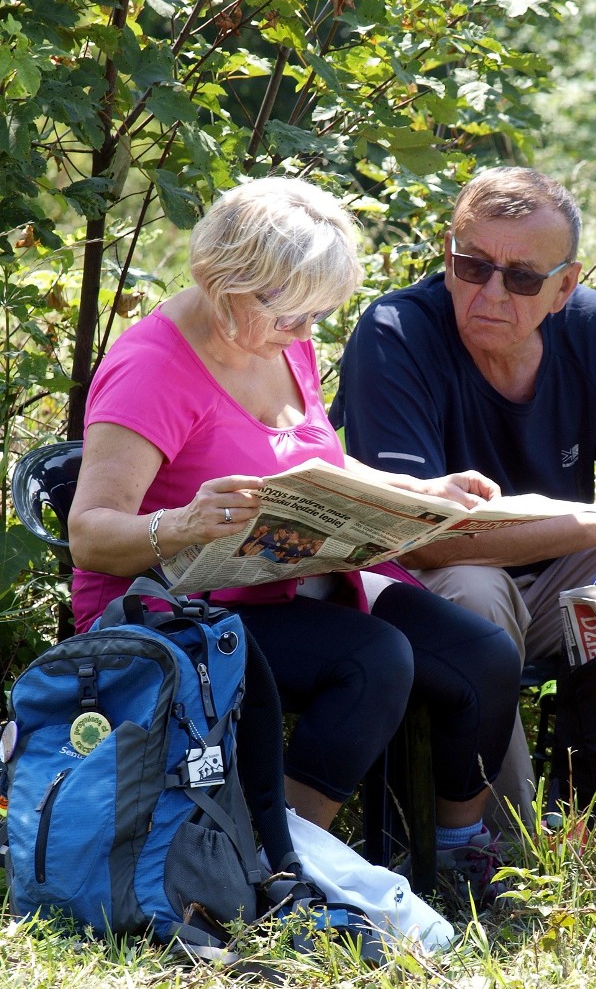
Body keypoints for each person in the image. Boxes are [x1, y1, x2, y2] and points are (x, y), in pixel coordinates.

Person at [67, 176, 521, 906]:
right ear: (229, 285)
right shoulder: (152, 367)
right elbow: (89, 536)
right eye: (294, 315)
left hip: (283, 581)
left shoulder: (276, 337)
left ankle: (456, 850)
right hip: (174, 613)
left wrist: (419, 495)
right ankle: (269, 861)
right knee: (372, 659)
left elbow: (314, 462)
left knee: (482, 657)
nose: (308, 334)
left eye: (319, 314)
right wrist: (180, 523)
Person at [331, 165, 596, 832]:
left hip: (552, 573)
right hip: (417, 582)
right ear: (448, 254)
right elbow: (419, 535)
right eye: (472, 265)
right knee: (476, 591)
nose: (490, 292)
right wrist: (594, 523)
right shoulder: (396, 333)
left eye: (521, 277)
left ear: (565, 287)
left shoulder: (593, 327)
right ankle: (514, 846)